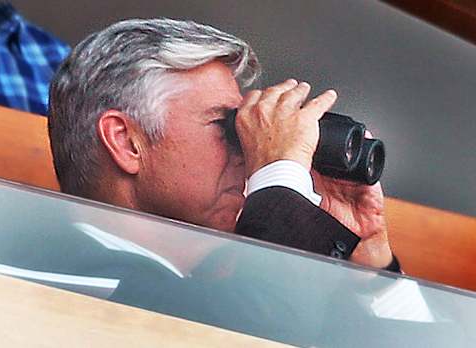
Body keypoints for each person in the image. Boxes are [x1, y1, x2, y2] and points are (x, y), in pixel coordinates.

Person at [48, 18, 396, 271]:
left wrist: (369, 266)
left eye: (244, 126)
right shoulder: (65, 282)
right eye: (225, 125)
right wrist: (281, 177)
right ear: (127, 143)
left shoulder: (208, 294)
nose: (247, 151)